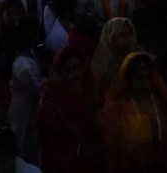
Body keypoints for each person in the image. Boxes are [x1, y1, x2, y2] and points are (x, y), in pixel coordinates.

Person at [97, 52, 167, 173]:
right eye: (139, 78)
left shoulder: (162, 102)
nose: (145, 83)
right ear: (128, 80)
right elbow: (111, 147)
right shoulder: (116, 109)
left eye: (148, 77)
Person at [36, 47, 102, 173]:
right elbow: (48, 135)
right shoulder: (51, 95)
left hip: (96, 156)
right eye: (68, 70)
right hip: (64, 160)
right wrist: (77, 148)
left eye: (78, 68)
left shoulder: (94, 89)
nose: (75, 74)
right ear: (60, 72)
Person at [8, 16, 45, 165]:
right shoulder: (23, 65)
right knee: (22, 144)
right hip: (22, 109)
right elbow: (36, 86)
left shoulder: (30, 54)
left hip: (29, 107)